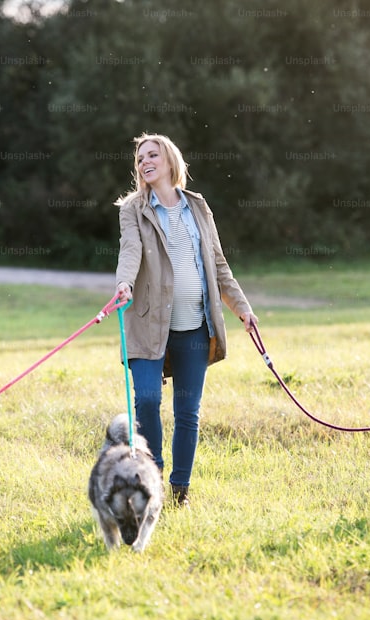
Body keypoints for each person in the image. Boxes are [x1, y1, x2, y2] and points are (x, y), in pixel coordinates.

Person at [114, 132, 258, 507]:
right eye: (140, 158)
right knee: (146, 399)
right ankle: (154, 479)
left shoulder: (197, 206)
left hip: (195, 327)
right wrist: (124, 284)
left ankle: (180, 491)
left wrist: (241, 307)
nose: (145, 161)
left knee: (188, 411)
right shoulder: (133, 209)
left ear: (169, 160)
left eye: (152, 155)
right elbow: (130, 251)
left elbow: (218, 263)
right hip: (148, 325)